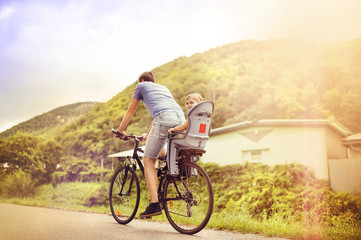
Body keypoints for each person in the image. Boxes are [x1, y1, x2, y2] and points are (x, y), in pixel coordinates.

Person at [115, 71, 185, 218]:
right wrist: (148, 134)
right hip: (180, 119)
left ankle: (154, 204)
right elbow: (160, 114)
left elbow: (130, 111)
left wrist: (120, 130)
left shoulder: (141, 86)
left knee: (148, 160)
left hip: (164, 120)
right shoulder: (163, 88)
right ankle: (168, 174)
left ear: (141, 80)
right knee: (160, 148)